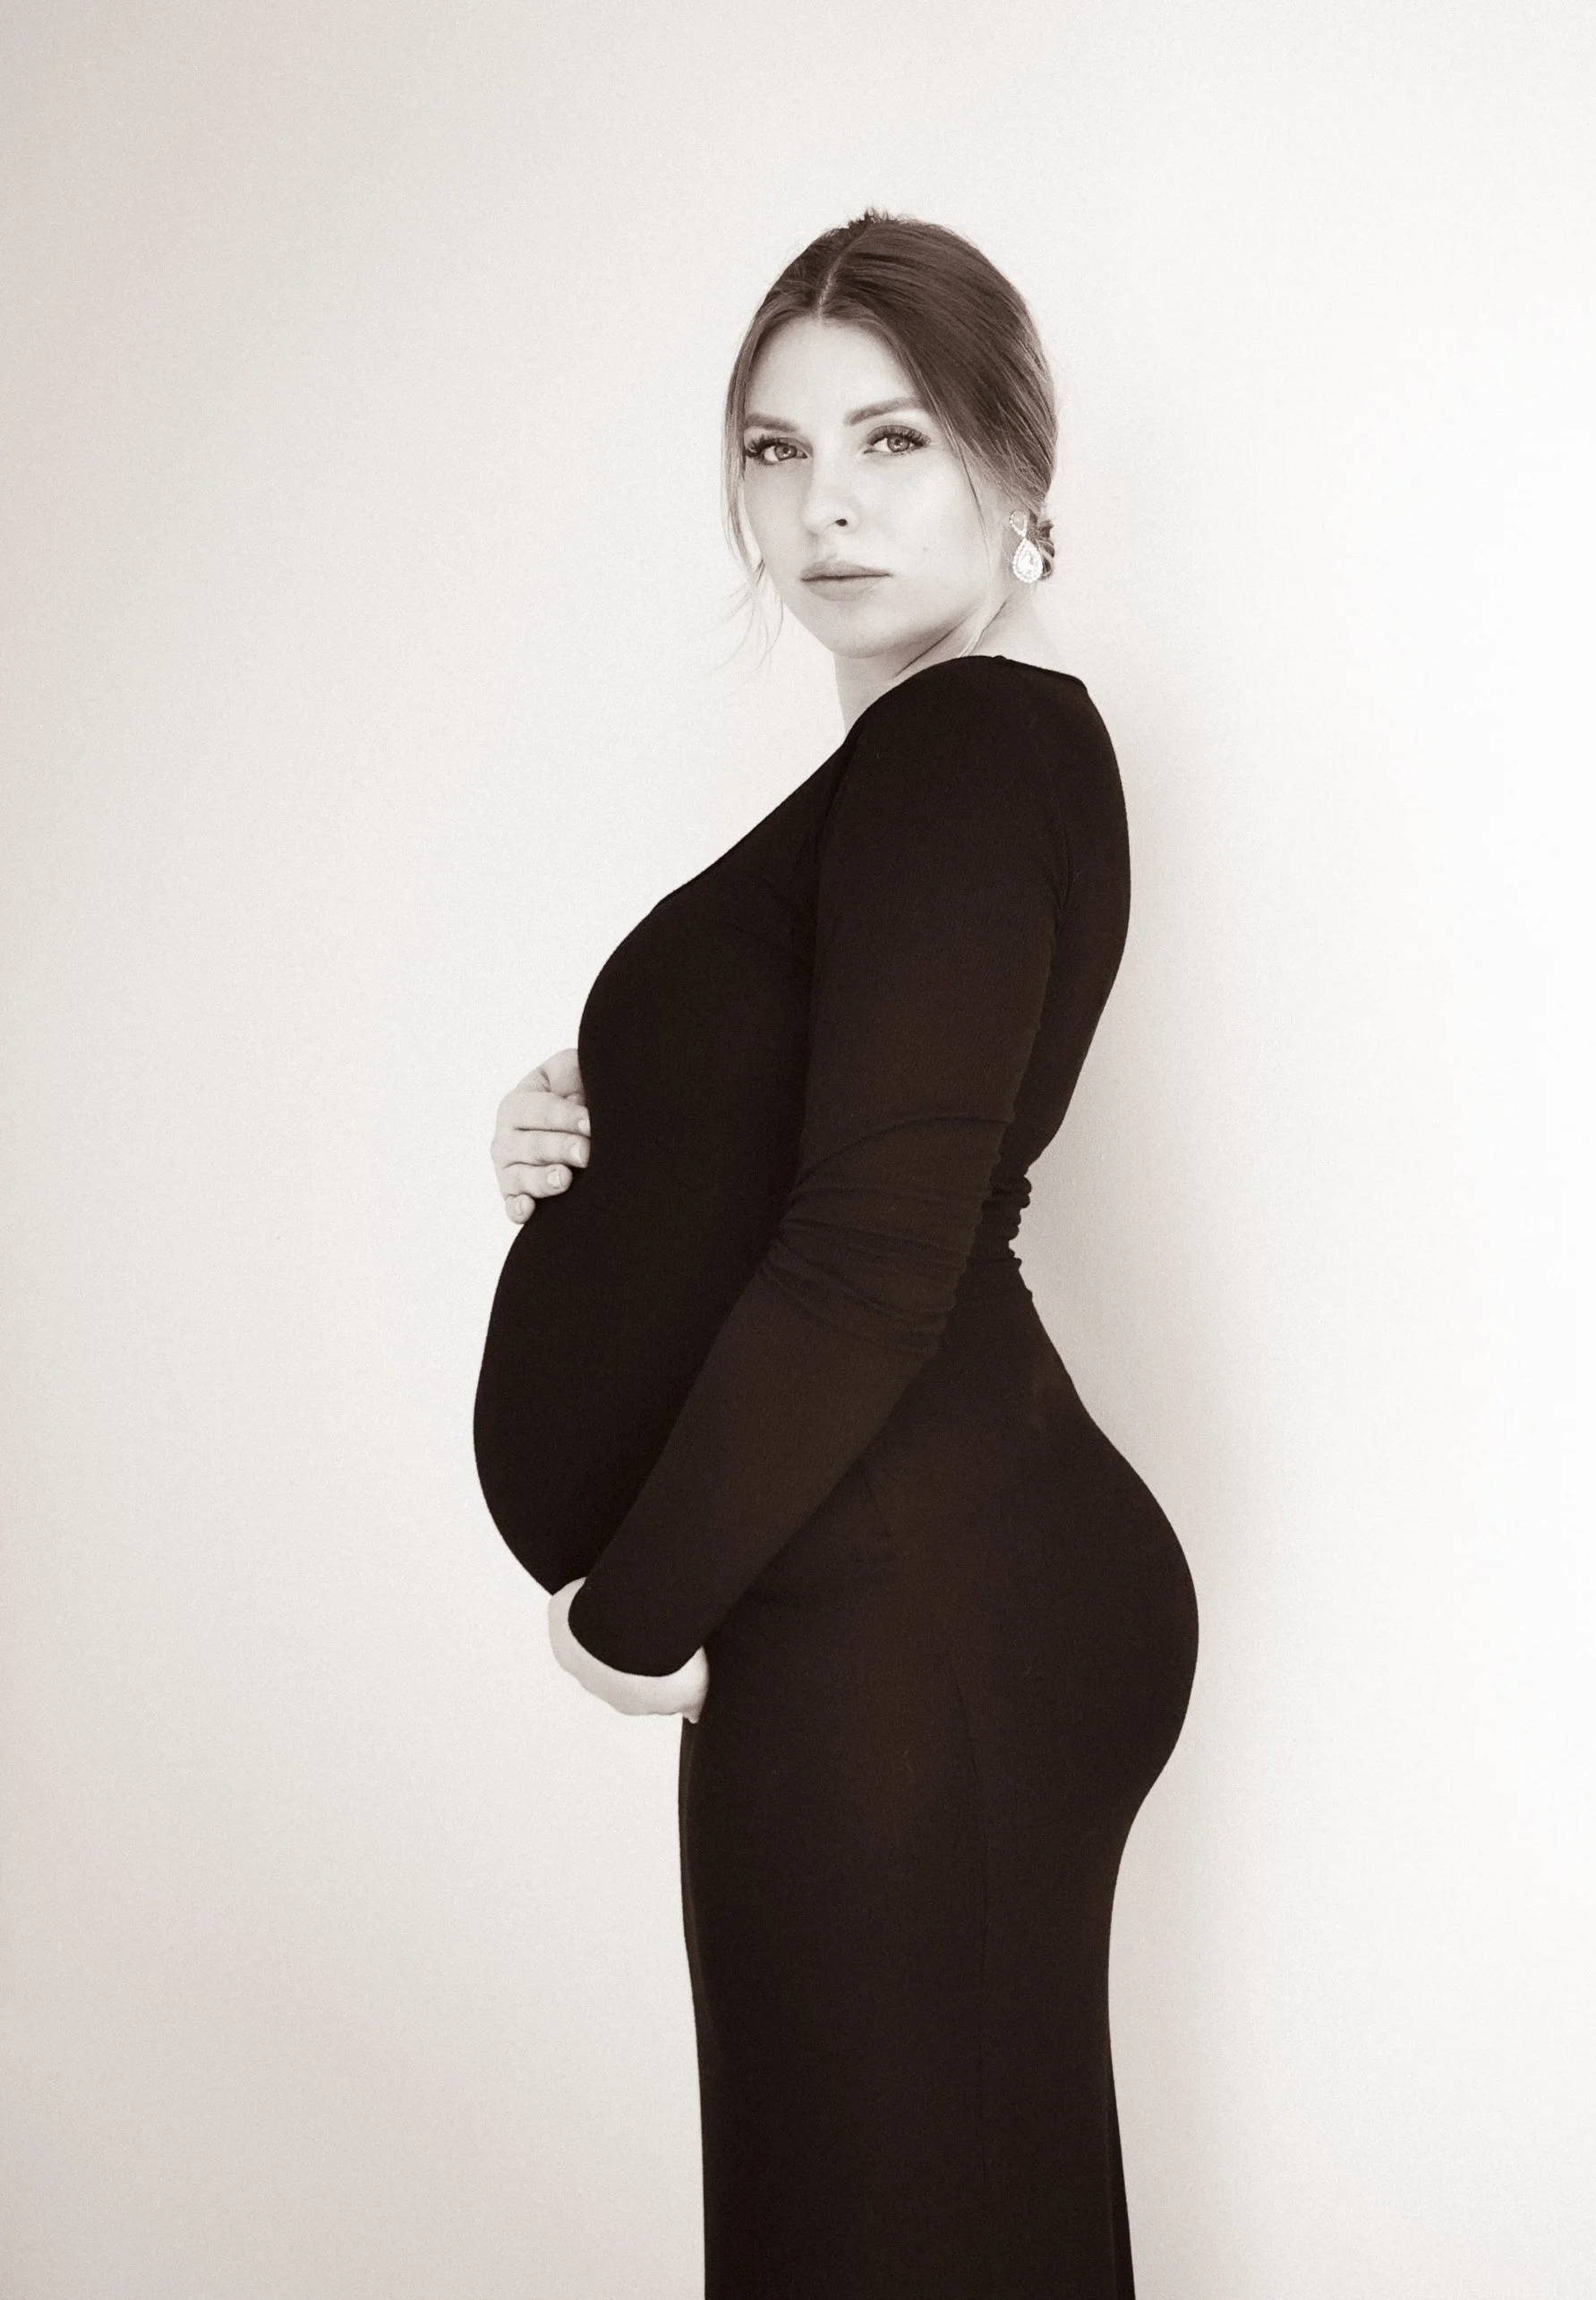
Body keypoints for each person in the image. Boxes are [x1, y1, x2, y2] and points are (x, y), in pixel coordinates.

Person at [471, 210, 1199, 2299]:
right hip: (895, 1584)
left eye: (892, 440)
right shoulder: (922, 769)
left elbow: (882, 1243)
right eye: (776, 453)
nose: (826, 507)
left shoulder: (967, 751)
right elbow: (841, 1139)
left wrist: (636, 1610)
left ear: (1012, 461)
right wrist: (598, 1135)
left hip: (903, 1606)